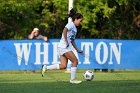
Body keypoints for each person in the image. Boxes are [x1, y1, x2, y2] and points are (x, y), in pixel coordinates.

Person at [41, 8, 83, 84]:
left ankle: (46, 67)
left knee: (63, 66)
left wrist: (77, 49)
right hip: (64, 47)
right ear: (76, 19)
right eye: (80, 21)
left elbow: (72, 40)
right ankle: (73, 79)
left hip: (62, 47)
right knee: (75, 61)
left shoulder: (75, 29)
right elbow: (64, 30)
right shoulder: (71, 24)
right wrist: (66, 42)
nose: (80, 22)